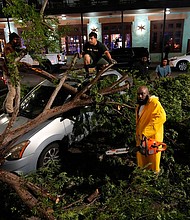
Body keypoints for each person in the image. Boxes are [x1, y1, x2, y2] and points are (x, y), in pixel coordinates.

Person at [135, 86, 166, 173]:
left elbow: (161, 117)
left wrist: (146, 132)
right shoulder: (139, 106)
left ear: (147, 94)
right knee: (142, 165)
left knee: (153, 165)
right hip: (142, 141)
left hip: (152, 140)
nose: (140, 96)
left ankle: (155, 181)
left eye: (142, 94)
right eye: (138, 94)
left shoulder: (154, 103)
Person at [3, 32, 21, 116]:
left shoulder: (11, 47)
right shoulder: (8, 47)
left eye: (17, 39)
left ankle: (6, 107)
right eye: (15, 39)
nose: (16, 41)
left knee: (14, 91)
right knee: (13, 92)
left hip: (12, 71)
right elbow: (10, 61)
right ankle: (10, 110)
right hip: (9, 72)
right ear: (12, 39)